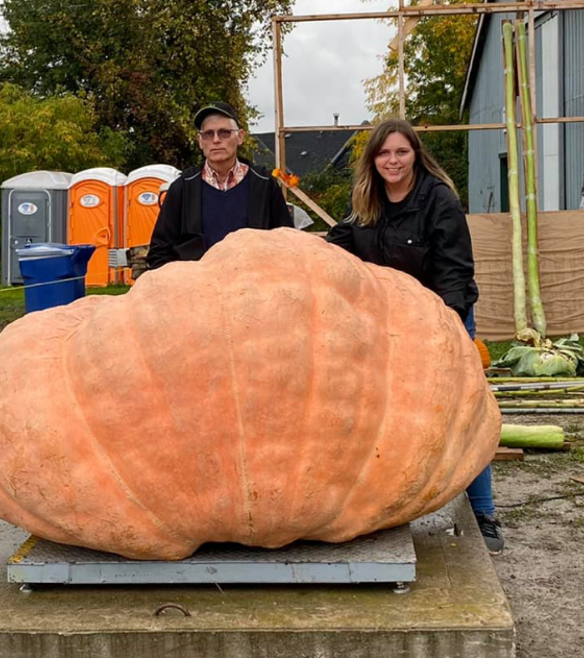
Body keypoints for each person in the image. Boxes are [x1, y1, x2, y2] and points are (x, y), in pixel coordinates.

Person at [325, 118, 503, 555]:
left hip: (444, 315)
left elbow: (456, 269)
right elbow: (339, 244)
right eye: (384, 153)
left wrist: (450, 330)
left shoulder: (438, 199)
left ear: (415, 155)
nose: (392, 161)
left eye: (401, 152)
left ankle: (484, 513)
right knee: (391, 415)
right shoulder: (366, 200)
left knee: (463, 414)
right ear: (374, 159)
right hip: (388, 326)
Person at [141, 101, 295, 274]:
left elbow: (286, 244)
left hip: (253, 289)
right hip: (196, 291)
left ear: (240, 137)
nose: (216, 140)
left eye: (224, 133)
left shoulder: (264, 185)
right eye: (208, 134)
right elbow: (159, 252)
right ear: (200, 141)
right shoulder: (183, 188)